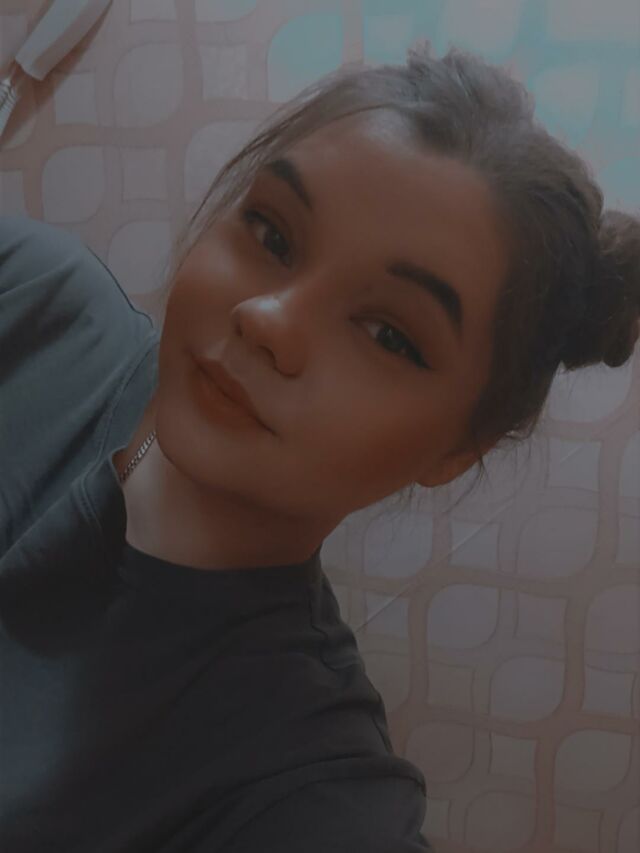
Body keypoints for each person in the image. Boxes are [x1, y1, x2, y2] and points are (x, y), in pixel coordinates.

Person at [1, 38, 638, 852]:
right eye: (271, 233)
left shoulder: (304, 785)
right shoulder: (30, 297)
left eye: (388, 334)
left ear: (458, 448)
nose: (270, 319)